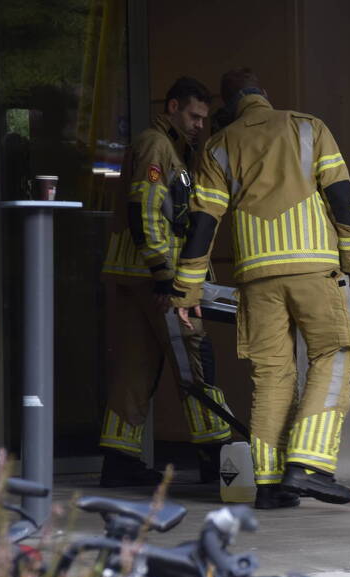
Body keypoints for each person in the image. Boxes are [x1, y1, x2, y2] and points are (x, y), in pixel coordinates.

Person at [168, 68, 350, 510]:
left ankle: (270, 484)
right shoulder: (309, 127)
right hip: (314, 269)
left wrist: (187, 291)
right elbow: (341, 199)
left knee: (272, 375)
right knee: (333, 355)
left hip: (255, 277)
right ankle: (309, 466)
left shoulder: (218, 146)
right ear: (264, 95)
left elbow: (203, 224)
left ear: (228, 103)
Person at [99, 77, 232, 487]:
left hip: (131, 275)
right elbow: (147, 208)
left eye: (204, 119)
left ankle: (119, 460)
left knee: (136, 368)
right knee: (194, 359)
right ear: (173, 106)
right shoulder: (158, 145)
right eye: (194, 116)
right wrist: (164, 274)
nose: (199, 125)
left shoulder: (170, 147)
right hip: (157, 278)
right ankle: (217, 457)